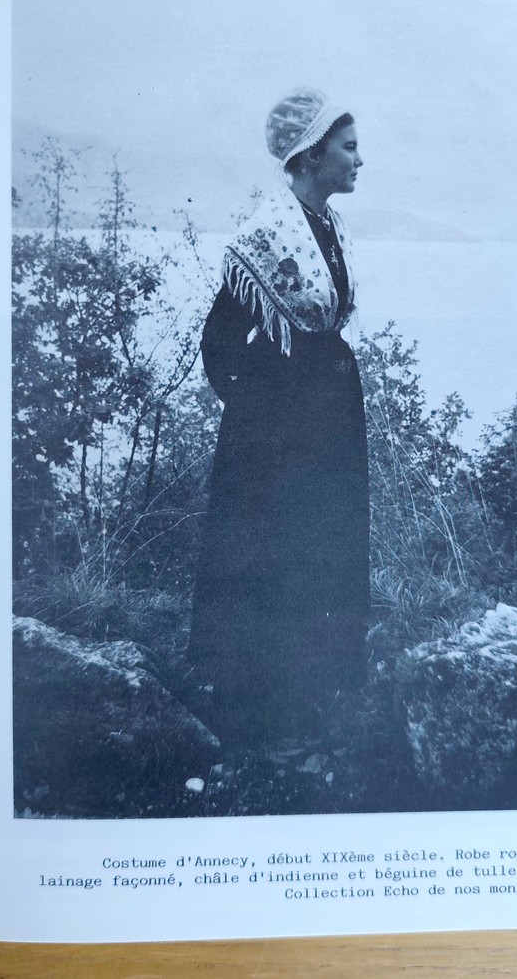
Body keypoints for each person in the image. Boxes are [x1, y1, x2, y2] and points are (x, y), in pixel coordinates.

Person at [189, 89, 370, 746]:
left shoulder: (327, 227)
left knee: (321, 550)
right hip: (278, 430)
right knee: (274, 553)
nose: (359, 160)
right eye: (348, 148)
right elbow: (219, 345)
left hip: (327, 416)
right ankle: (260, 714)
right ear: (312, 154)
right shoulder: (266, 237)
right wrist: (259, 417)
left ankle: (315, 699)